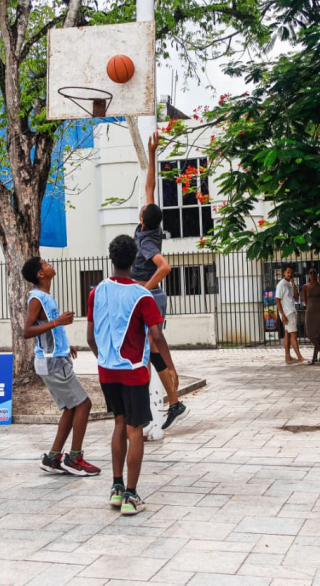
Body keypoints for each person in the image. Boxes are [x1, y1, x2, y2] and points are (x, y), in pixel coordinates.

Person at [87, 235, 176, 516]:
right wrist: (170, 367)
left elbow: (91, 337)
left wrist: (104, 359)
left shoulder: (96, 291)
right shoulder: (142, 295)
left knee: (118, 424)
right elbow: (157, 335)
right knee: (134, 430)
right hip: (134, 371)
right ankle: (131, 495)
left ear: (111, 258)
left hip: (106, 370)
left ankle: (116, 487)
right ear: (135, 258)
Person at [21, 256, 100, 476]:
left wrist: (66, 345)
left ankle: (53, 457)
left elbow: (49, 331)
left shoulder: (46, 297)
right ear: (40, 274)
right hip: (52, 362)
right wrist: (58, 322)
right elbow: (27, 331)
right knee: (84, 405)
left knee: (70, 408)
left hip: (56, 358)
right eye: (45, 264)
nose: (49, 265)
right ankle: (74, 459)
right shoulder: (36, 298)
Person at [131, 132, 186, 432]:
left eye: (142, 207)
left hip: (151, 295)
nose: (143, 205)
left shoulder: (147, 243)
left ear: (142, 219)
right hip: (151, 295)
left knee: (154, 344)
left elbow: (165, 267)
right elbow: (150, 186)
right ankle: (174, 394)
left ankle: (173, 385)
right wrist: (152, 153)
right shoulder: (149, 226)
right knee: (154, 346)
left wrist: (144, 287)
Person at [276, 265, 305, 364]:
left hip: (291, 311)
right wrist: (282, 314)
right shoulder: (281, 284)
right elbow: (277, 300)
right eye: (288, 272)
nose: (290, 274)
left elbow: (296, 298)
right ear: (284, 272)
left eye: (291, 272)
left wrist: (293, 284)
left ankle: (288, 357)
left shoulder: (289, 284)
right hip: (288, 313)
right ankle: (300, 357)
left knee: (287, 334)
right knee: (293, 335)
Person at [303, 268, 320, 364]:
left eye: (314, 273)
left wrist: (317, 307)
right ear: (308, 275)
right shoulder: (305, 287)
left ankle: (317, 355)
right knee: (310, 333)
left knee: (318, 334)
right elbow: (305, 300)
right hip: (310, 313)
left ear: (317, 275)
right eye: (310, 273)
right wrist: (310, 307)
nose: (312, 275)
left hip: (319, 313)